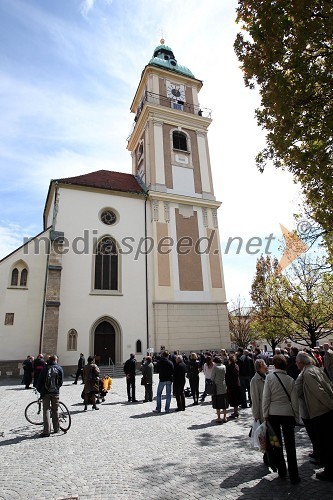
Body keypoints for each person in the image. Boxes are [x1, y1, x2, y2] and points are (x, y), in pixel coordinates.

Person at [262, 354, 300, 484]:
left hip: (273, 415)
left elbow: (266, 398)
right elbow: (295, 401)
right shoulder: (290, 380)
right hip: (288, 414)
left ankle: (282, 471)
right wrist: (296, 416)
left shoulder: (269, 378)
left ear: (275, 364)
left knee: (275, 443)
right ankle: (294, 475)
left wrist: (265, 413)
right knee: (290, 445)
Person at [296, 351, 333, 481]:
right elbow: (329, 385)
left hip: (320, 410)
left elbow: (320, 392)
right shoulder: (316, 369)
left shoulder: (307, 373)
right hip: (323, 410)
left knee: (326, 442)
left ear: (300, 362)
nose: (296, 364)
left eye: (297, 362)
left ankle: (330, 471)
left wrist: (331, 405)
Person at [36, 354, 64, 437]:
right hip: (55, 392)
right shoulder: (59, 368)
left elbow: (39, 381)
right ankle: (56, 429)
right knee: (55, 410)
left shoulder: (45, 369)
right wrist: (57, 388)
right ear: (55, 360)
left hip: (46, 392)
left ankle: (46, 431)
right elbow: (61, 382)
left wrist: (41, 391)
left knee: (46, 410)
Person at [250, 359, 269, 464]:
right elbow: (254, 399)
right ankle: (266, 456)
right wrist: (256, 415)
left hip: (270, 411)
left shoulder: (268, 376)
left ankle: (270, 454)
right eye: (265, 365)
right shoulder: (255, 380)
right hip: (262, 413)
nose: (267, 366)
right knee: (264, 436)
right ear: (260, 366)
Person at [211, 356, 228, 423]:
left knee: (217, 403)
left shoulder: (215, 367)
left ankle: (219, 417)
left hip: (217, 386)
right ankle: (225, 417)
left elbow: (212, 377)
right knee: (224, 402)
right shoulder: (224, 366)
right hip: (223, 386)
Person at [225, 354, 242, 418]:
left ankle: (235, 413)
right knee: (236, 399)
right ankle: (236, 411)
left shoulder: (229, 367)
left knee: (233, 399)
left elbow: (227, 376)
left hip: (231, 385)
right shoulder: (236, 366)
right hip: (237, 384)